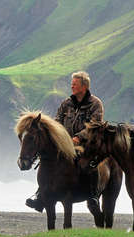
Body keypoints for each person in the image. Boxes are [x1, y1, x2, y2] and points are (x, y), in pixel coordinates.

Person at [25, 71, 104, 212]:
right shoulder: (66, 103)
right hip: (65, 143)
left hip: (87, 143)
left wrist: (79, 137)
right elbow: (57, 123)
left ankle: (93, 196)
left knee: (90, 163)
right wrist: (58, 137)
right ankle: (40, 195)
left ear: (84, 86)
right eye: (71, 84)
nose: (72, 86)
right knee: (47, 161)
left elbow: (94, 126)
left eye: (75, 84)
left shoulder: (95, 104)